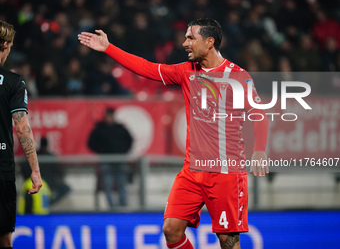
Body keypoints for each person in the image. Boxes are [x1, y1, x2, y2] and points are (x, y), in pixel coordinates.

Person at [79, 18, 269, 249]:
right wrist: (109, 48)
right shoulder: (186, 72)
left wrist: (259, 150)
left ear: (209, 42)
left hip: (226, 173)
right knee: (171, 230)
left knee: (227, 240)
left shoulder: (238, 77)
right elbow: (146, 68)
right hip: (192, 171)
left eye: (191, 38)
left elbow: (259, 114)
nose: (184, 43)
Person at [0, 20, 42, 248]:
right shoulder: (14, 82)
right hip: (1, 168)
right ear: (5, 44)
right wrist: (35, 169)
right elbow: (22, 127)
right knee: (4, 239)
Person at [88, 108, 133, 208]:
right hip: (106, 161)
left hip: (119, 160)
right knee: (107, 185)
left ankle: (123, 206)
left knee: (122, 184)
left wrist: (123, 151)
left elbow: (129, 140)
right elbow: (90, 143)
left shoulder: (120, 128)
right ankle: (111, 207)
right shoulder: (99, 129)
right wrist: (101, 151)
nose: (109, 118)